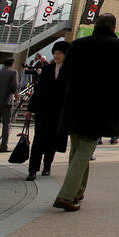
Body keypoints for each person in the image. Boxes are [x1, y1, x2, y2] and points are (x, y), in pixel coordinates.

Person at [53, 13, 119, 211]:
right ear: (113, 28)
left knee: (76, 148)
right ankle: (66, 195)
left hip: (74, 103)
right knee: (85, 149)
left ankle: (78, 190)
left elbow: (64, 75)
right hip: (100, 106)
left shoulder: (78, 44)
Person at [25, 41, 67, 181]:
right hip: (44, 110)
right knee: (38, 140)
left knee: (52, 140)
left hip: (59, 111)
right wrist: (30, 109)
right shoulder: (48, 69)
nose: (56, 56)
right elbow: (39, 90)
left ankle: (47, 165)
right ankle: (32, 169)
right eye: (55, 53)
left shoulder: (70, 71)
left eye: (59, 53)